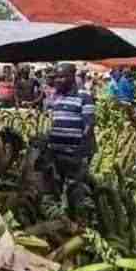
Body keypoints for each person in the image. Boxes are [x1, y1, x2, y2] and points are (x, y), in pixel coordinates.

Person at [44, 63, 96, 216]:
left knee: (75, 188)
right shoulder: (56, 96)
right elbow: (54, 121)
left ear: (72, 77)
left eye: (62, 77)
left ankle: (79, 219)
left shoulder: (84, 96)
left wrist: (80, 152)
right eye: (57, 77)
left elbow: (89, 125)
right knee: (56, 186)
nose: (58, 80)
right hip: (56, 153)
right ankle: (61, 217)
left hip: (75, 154)